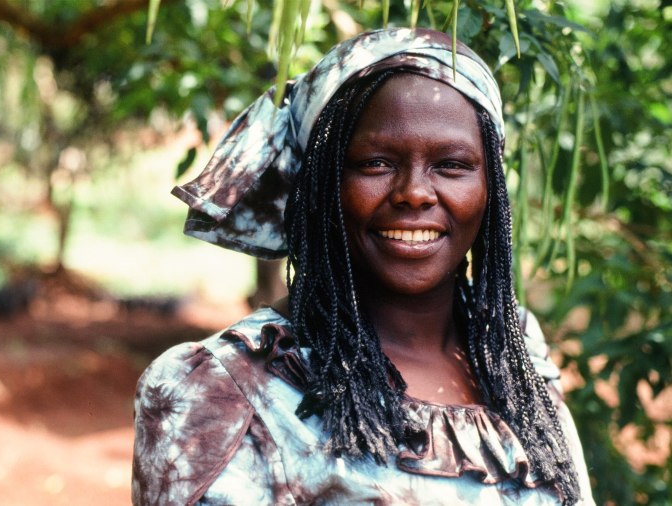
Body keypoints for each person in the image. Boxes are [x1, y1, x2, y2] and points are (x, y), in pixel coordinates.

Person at [132, 27, 594, 505]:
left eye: (452, 165)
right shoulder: (223, 391)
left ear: (491, 186)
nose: (414, 192)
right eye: (375, 163)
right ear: (322, 185)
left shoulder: (513, 352)